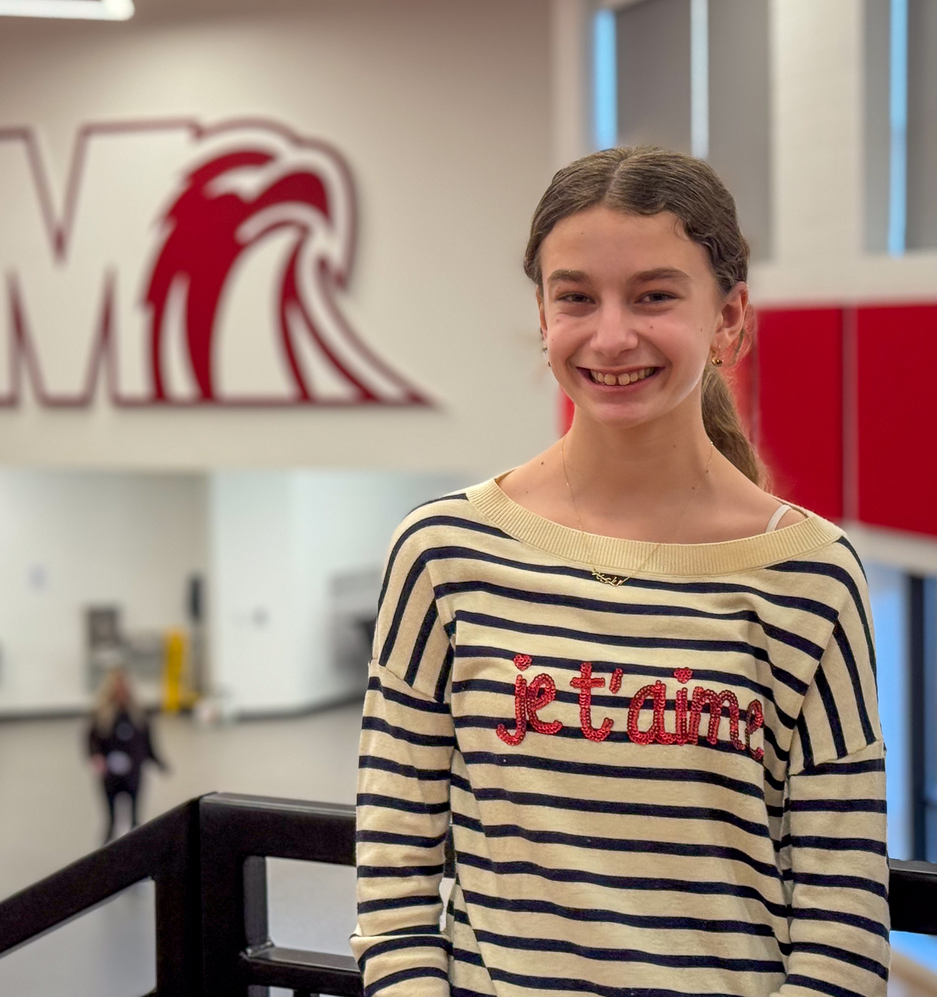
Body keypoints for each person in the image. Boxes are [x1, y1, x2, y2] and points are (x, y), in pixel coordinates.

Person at [351, 147, 888, 997]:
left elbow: (842, 920)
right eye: (576, 297)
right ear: (541, 314)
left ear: (730, 318)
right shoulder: (443, 551)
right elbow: (395, 889)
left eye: (654, 296)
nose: (610, 336)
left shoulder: (810, 575)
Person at [87, 667, 167, 844]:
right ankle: (106, 851)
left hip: (133, 772)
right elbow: (92, 741)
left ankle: (135, 850)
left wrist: (159, 762)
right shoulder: (101, 714)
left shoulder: (138, 714)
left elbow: (148, 742)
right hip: (110, 774)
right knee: (111, 819)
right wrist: (96, 757)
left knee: (135, 818)